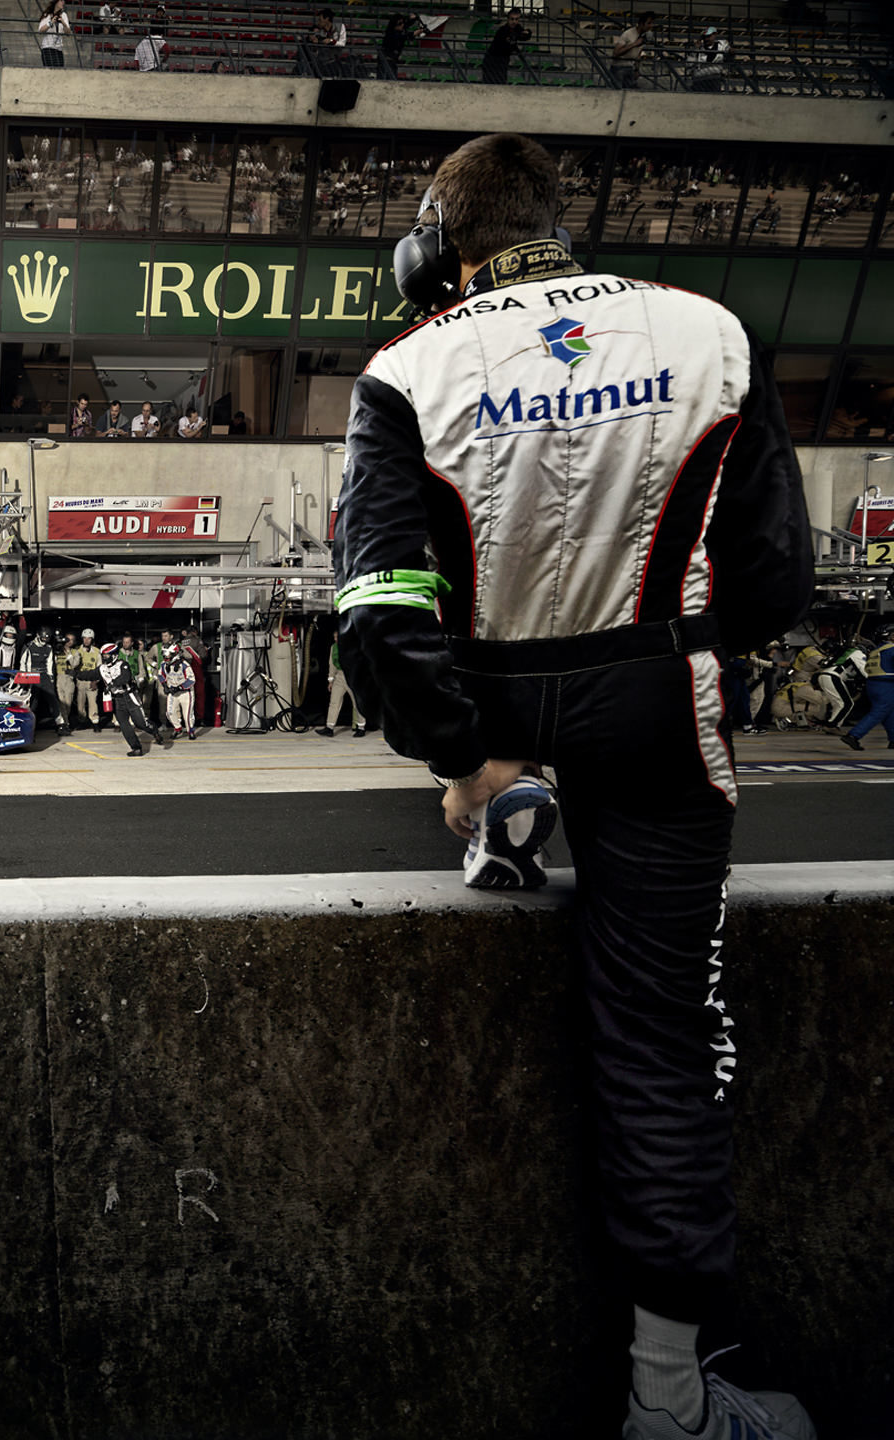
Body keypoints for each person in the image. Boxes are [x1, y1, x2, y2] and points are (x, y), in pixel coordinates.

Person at [335, 133, 813, 1440]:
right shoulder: (710, 334)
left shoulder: (407, 369)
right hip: (662, 707)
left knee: (492, 774)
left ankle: (499, 807)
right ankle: (670, 1396)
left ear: (442, 240)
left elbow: (380, 607)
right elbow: (776, 581)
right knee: (664, 1046)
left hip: (499, 697)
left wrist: (466, 747)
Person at [97, 641, 157, 755]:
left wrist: (111, 684)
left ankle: (154, 730)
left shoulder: (123, 664)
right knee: (124, 725)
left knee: (140, 724)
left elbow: (125, 678)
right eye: (103, 655)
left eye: (106, 655)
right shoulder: (104, 668)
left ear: (113, 655)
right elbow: (90, 674)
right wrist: (74, 673)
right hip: (119, 700)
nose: (104, 658)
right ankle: (136, 748)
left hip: (130, 696)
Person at [841, 623, 894, 751]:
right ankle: (853, 736)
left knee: (890, 713)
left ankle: (893, 740)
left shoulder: (877, 650)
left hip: (873, 684)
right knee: (879, 712)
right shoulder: (892, 649)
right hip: (886, 685)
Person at [314, 636, 366, 738]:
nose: (336, 639)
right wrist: (331, 680)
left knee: (357, 703)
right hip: (339, 676)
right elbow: (332, 664)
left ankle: (361, 728)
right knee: (334, 702)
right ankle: (329, 727)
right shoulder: (334, 647)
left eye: (338, 637)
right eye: (334, 637)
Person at [158, 638, 198, 739]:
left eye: (168, 654)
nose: (166, 657)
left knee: (187, 714)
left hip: (186, 693)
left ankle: (190, 731)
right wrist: (165, 686)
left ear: (175, 654)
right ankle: (177, 728)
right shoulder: (163, 665)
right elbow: (161, 675)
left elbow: (192, 680)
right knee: (170, 712)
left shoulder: (184, 665)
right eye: (165, 654)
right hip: (172, 691)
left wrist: (180, 687)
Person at [481, 10, 529, 85]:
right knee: (489, 83)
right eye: (512, 19)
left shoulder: (517, 28)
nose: (514, 21)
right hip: (492, 60)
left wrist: (527, 33)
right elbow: (508, 38)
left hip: (503, 60)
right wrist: (518, 35)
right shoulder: (502, 30)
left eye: (516, 19)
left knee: (501, 82)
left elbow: (525, 36)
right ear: (508, 19)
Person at [611, 13, 654, 90]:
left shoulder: (644, 36)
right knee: (616, 92)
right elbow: (616, 53)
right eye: (648, 23)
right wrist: (634, 44)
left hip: (630, 67)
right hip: (619, 67)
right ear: (641, 24)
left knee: (632, 92)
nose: (651, 26)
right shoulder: (628, 34)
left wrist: (637, 69)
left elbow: (638, 54)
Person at [37, 0, 70, 68]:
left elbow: (68, 32)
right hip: (47, 47)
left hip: (58, 48)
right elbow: (40, 30)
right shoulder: (47, 14)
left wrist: (63, 23)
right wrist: (50, 22)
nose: (63, 3)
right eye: (61, 1)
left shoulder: (64, 15)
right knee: (49, 69)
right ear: (56, 2)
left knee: (59, 70)